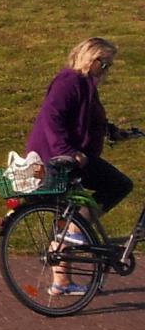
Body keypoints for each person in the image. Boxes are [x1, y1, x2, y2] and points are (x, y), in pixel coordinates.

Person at [25, 38, 132, 294]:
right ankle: (76, 230)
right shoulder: (69, 82)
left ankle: (61, 282)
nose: (107, 69)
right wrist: (67, 151)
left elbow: (88, 119)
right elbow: (51, 118)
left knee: (66, 213)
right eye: (104, 64)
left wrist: (112, 131)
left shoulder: (85, 84)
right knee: (119, 184)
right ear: (90, 59)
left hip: (73, 155)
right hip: (58, 157)